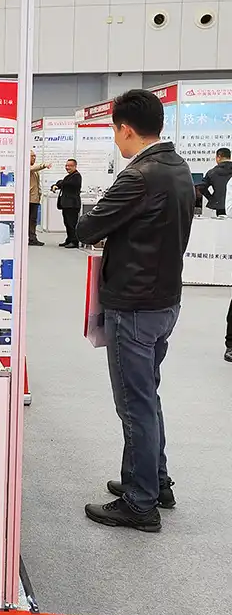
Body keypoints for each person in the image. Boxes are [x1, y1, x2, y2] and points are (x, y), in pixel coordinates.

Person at [75, 89, 194, 532]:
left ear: (125, 129)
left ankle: (141, 503)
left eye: (115, 132)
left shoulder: (139, 175)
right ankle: (152, 481)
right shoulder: (178, 168)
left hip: (135, 306)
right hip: (165, 301)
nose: (116, 140)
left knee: (134, 403)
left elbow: (88, 225)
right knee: (148, 396)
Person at [51, 159, 83, 248]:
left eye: (69, 166)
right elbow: (62, 182)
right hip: (66, 205)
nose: (67, 168)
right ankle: (69, 239)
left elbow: (65, 183)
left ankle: (74, 241)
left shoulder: (76, 176)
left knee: (72, 223)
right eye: (66, 166)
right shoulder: (69, 176)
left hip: (72, 205)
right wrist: (57, 184)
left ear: (75, 166)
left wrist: (58, 184)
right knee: (67, 223)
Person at [29, 151, 52, 246]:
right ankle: (31, 238)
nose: (34, 158)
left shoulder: (35, 170)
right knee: (30, 220)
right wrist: (44, 165)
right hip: (29, 199)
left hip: (35, 198)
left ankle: (31, 238)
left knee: (32, 220)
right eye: (32, 156)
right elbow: (33, 168)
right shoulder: (26, 167)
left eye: (35, 156)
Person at [200, 147, 232, 216]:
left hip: (219, 205)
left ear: (219, 157)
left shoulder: (212, 172)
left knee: (221, 225)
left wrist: (212, 198)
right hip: (231, 205)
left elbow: (201, 187)